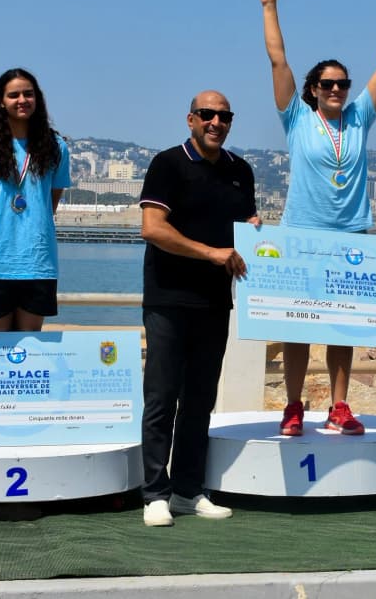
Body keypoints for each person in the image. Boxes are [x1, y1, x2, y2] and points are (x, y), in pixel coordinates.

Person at [257, 0, 376, 437]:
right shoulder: (296, 118)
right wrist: (270, 7)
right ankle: (293, 406)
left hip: (350, 235)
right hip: (301, 234)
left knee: (342, 327)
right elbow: (278, 59)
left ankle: (339, 406)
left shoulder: (359, 118)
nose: (337, 89)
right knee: (297, 326)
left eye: (343, 83)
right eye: (328, 84)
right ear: (312, 89)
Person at [139, 90, 259, 527]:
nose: (216, 122)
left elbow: (245, 227)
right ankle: (155, 492)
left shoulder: (240, 171)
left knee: (199, 401)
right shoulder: (167, 164)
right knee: (161, 398)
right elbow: (152, 228)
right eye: (207, 114)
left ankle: (188, 490)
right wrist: (210, 253)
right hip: (168, 298)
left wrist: (255, 234)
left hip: (214, 302)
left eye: (224, 115)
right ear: (191, 119)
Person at [0, 68, 71, 332]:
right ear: (1, 101)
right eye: (14, 95)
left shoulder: (56, 146)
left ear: (38, 98)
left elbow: (50, 202)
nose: (22, 100)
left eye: (28, 94)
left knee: (30, 343)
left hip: (37, 260)